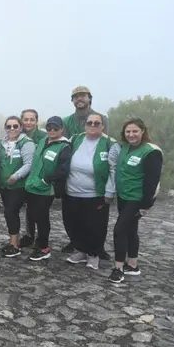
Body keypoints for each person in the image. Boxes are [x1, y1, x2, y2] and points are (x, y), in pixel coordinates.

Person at [62, 113, 119, 270]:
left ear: (103, 126)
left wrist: (110, 191)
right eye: (90, 123)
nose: (92, 126)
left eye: (97, 123)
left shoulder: (110, 143)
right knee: (73, 223)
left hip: (96, 194)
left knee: (95, 226)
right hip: (72, 191)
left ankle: (93, 254)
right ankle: (80, 250)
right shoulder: (75, 139)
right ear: (85, 125)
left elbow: (114, 169)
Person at [108, 119, 163, 283]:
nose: (131, 135)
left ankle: (118, 268)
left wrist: (146, 205)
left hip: (137, 199)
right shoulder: (124, 147)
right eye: (128, 132)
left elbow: (152, 180)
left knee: (119, 230)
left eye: (135, 131)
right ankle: (133, 265)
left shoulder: (151, 152)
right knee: (131, 229)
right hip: (123, 196)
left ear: (143, 131)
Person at [23, 116, 72, 261]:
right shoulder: (43, 141)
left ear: (61, 129)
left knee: (42, 217)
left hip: (46, 189)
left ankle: (44, 248)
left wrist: (46, 180)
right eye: (49, 128)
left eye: (56, 128)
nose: (52, 131)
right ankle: (36, 241)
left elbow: (63, 169)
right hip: (32, 185)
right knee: (32, 215)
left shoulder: (65, 147)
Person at [0, 116, 35, 258]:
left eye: (15, 126)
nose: (12, 129)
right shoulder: (1, 142)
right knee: (10, 213)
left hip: (19, 185)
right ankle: (14, 241)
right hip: (4, 186)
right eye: (9, 126)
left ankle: (14, 245)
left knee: (10, 212)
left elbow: (29, 164)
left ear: (20, 127)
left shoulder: (26, 143)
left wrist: (16, 176)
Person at [18, 109, 46, 249]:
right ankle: (29, 235)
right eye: (26, 119)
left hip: (39, 178)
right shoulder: (18, 134)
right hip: (23, 178)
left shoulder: (44, 136)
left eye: (32, 119)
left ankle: (42, 238)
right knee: (28, 209)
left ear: (36, 121)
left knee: (40, 210)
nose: (28, 122)